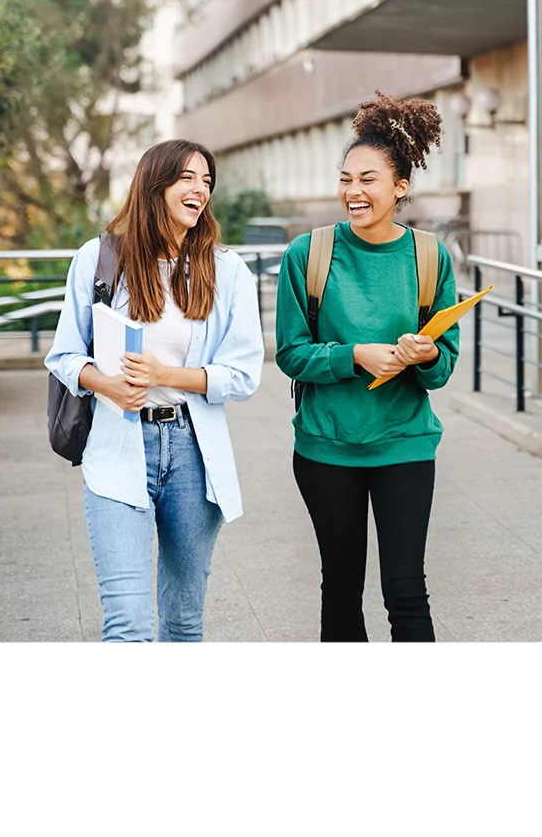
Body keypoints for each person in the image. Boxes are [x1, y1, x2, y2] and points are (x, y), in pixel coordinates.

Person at [45, 139, 264, 645]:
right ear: (155, 183)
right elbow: (63, 355)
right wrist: (108, 385)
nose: (200, 189)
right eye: (187, 177)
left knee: (184, 622)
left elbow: (243, 374)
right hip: (118, 446)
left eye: (207, 180)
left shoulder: (227, 270)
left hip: (193, 452)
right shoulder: (100, 259)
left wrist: (164, 375)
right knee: (128, 626)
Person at [275, 91, 456, 646]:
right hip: (326, 447)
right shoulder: (307, 254)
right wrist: (353, 355)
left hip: (404, 443)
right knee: (341, 589)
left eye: (368, 179)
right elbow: (290, 353)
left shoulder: (430, 257)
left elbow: (443, 364)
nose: (353, 192)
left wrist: (425, 356)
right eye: (346, 178)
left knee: (406, 589)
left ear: (400, 187)